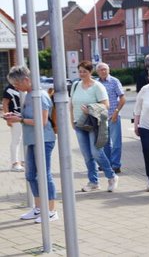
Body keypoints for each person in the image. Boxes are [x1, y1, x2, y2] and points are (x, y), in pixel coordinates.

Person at [3, 66, 58, 223]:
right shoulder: (28, 94)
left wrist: (19, 120)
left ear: (26, 80)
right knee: (30, 175)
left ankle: (52, 210)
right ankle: (39, 208)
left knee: (44, 174)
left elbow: (42, 121)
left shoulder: (39, 95)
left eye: (16, 84)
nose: (15, 87)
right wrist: (16, 116)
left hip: (43, 139)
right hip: (32, 139)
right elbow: (30, 116)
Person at [70, 60, 119, 192]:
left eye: (84, 71)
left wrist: (90, 109)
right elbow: (71, 104)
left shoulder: (97, 86)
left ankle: (111, 176)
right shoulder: (75, 85)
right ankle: (93, 182)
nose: (81, 74)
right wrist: (72, 120)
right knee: (87, 155)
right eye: (80, 71)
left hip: (94, 124)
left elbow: (106, 105)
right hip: (79, 124)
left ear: (90, 72)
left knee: (96, 152)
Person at [96, 62, 126, 174]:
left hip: (114, 116)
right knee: (104, 143)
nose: (103, 71)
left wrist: (116, 112)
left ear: (108, 70)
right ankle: (107, 164)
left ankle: (116, 165)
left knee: (116, 142)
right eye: (101, 70)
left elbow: (123, 99)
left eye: (105, 69)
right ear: (97, 72)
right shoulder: (96, 83)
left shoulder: (114, 81)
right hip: (101, 117)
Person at [2, 83, 24, 172]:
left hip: (24, 116)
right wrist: (8, 118)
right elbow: (5, 104)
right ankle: (14, 163)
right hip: (14, 117)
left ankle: (24, 161)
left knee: (24, 140)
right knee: (16, 139)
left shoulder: (22, 86)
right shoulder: (9, 89)